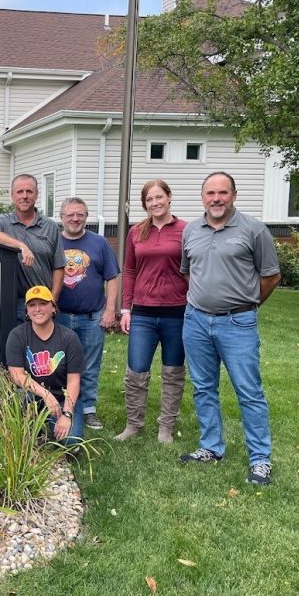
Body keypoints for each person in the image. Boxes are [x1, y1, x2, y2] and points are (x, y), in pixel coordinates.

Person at [180, 171, 281, 485]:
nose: (216, 199)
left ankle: (260, 459)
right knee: (203, 387)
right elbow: (188, 272)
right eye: (210, 193)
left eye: (222, 193)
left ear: (233, 195)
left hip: (238, 322)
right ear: (202, 197)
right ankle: (211, 446)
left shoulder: (254, 230)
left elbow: (271, 276)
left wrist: (247, 305)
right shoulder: (191, 231)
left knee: (249, 392)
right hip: (196, 320)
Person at [117, 180, 188, 443]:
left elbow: (194, 270)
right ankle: (134, 424)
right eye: (149, 200)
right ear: (144, 204)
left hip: (177, 313)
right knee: (136, 371)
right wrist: (126, 309)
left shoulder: (185, 230)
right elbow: (130, 271)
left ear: (169, 197)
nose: (155, 203)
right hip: (143, 314)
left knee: (173, 372)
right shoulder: (137, 232)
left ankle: (166, 426)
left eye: (159, 197)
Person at [56, 197, 120, 432]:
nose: (75, 219)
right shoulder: (54, 241)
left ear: (86, 216)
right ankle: (64, 406)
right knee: (61, 364)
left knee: (90, 364)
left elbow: (112, 277)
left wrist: (110, 310)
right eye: (70, 214)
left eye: (80, 214)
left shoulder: (99, 243)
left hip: (92, 317)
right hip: (61, 316)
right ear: (61, 217)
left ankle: (89, 409)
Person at [5, 285, 84, 446]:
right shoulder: (17, 335)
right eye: (32, 305)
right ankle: (34, 430)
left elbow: (74, 381)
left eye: (43, 303)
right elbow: (17, 375)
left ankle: (56, 425)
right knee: (19, 432)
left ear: (53, 308)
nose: (38, 309)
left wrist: (67, 415)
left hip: (63, 399)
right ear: (26, 311)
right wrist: (45, 395)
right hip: (32, 398)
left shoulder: (69, 338)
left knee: (71, 442)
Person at [0, 174, 65, 323]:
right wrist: (21, 246)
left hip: (42, 301)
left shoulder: (50, 226)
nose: (24, 196)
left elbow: (59, 266)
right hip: (12, 302)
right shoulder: (2, 222)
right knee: (14, 345)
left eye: (29, 192)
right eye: (19, 192)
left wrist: (52, 299)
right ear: (12, 196)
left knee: (43, 346)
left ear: (36, 195)